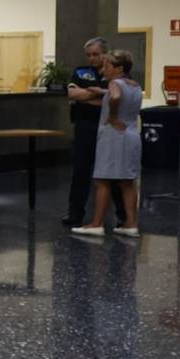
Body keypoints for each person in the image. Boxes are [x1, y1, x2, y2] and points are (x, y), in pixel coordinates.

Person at [73, 50, 142, 238]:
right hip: (131, 135)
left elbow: (116, 96)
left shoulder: (114, 83)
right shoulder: (134, 84)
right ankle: (131, 224)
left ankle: (96, 224)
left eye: (107, 65)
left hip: (113, 136)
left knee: (103, 181)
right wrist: (102, 91)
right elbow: (120, 93)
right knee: (128, 181)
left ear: (119, 68)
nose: (103, 68)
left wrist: (111, 116)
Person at [63, 37, 126, 228]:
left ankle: (122, 215)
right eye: (89, 55)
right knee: (80, 170)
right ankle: (75, 214)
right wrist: (98, 93)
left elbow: (110, 100)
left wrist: (89, 96)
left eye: (96, 54)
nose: (92, 58)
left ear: (105, 53)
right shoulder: (81, 71)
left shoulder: (115, 75)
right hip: (85, 125)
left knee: (112, 172)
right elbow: (72, 95)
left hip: (108, 126)